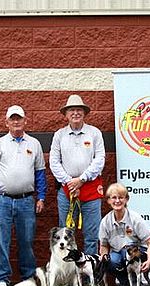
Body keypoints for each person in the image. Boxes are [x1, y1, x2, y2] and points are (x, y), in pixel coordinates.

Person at [0, 105, 47, 286]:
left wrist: (41, 197)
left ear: (25, 120)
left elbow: (40, 174)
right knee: (1, 240)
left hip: (27, 201)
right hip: (2, 200)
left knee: (26, 240)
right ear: (7, 122)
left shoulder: (34, 144)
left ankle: (28, 278)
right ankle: (2, 279)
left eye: (19, 118)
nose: (16, 121)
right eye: (12, 119)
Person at [49, 95, 105, 255]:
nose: (75, 113)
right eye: (71, 110)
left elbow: (100, 159)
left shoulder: (94, 133)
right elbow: (54, 161)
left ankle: (89, 276)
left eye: (79, 110)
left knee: (92, 235)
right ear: (66, 114)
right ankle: (69, 273)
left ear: (84, 113)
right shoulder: (59, 135)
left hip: (91, 189)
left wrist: (81, 179)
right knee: (65, 235)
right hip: (67, 190)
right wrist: (70, 182)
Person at [98, 183, 150, 286]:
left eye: (121, 197)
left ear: (126, 199)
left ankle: (135, 283)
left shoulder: (135, 218)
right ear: (109, 200)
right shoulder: (105, 222)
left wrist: (149, 260)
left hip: (136, 251)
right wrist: (104, 257)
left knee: (126, 251)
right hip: (117, 253)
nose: (117, 201)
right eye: (114, 197)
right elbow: (103, 245)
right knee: (110, 260)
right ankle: (126, 283)